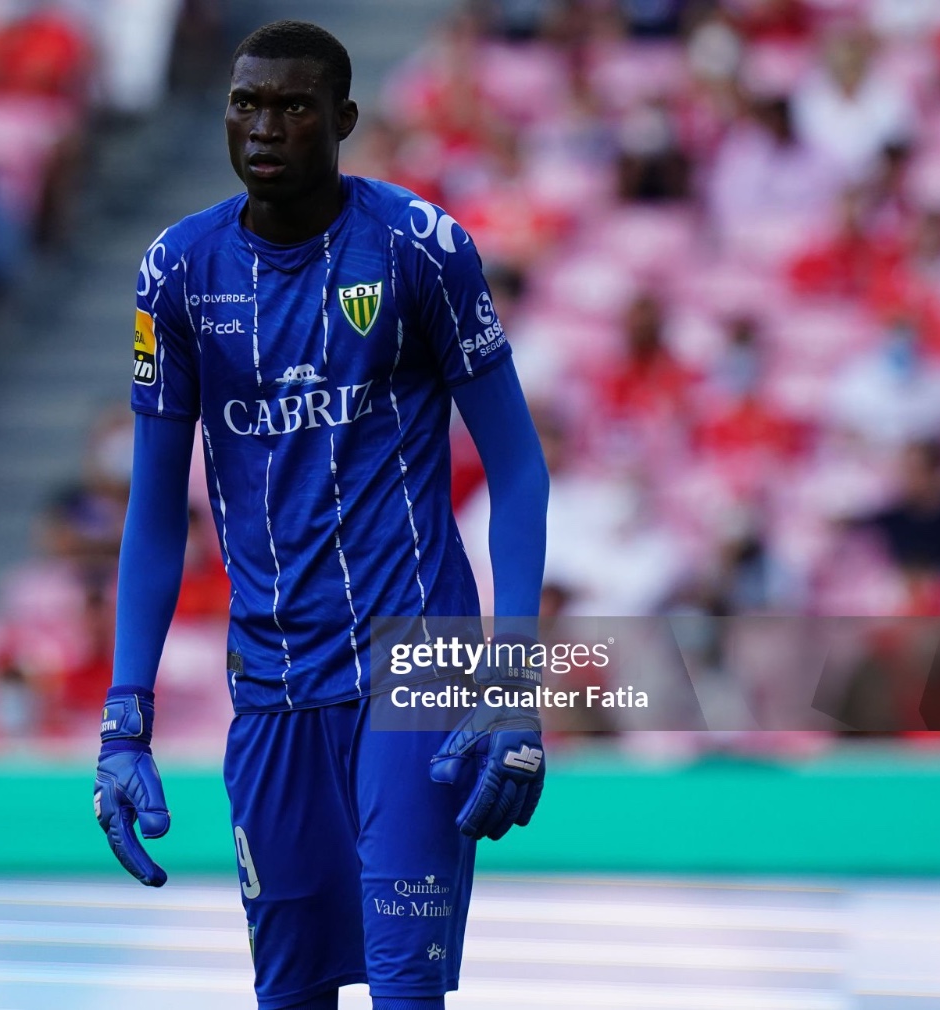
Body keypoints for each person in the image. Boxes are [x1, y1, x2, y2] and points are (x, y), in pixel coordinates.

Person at [91, 21, 549, 1010]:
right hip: (271, 682)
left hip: (416, 659)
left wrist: (513, 674)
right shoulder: (177, 272)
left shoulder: (421, 250)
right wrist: (124, 718)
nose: (265, 127)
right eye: (246, 104)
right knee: (289, 991)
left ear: (342, 120)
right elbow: (156, 514)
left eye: (293, 107)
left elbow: (515, 468)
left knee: (401, 986)